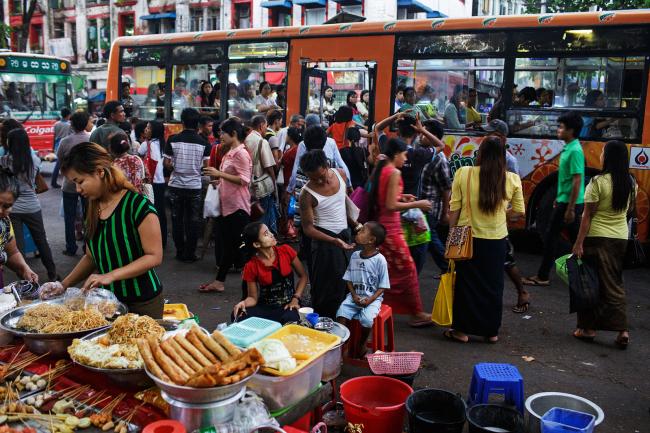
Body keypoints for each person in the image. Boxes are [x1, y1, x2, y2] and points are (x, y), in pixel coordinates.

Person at [51, 142, 164, 316]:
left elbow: (154, 256)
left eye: (80, 181)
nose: (78, 189)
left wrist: (110, 275)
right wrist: (63, 285)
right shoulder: (93, 208)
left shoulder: (138, 206)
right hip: (107, 304)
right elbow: (91, 257)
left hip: (142, 303)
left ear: (99, 172)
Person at [445, 136, 525, 343]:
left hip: (467, 237)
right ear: (502, 156)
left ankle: (461, 332)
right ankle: (491, 332)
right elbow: (519, 212)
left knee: (466, 285)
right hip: (497, 240)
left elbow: (454, 208)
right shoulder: (512, 179)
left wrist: (452, 235)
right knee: (493, 285)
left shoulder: (464, 173)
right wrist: (502, 214)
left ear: (480, 153)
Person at [571, 140, 634, 349]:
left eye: (603, 152)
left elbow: (587, 216)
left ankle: (587, 329)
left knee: (590, 283)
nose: (601, 155)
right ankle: (622, 330)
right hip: (620, 238)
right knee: (614, 281)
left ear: (608, 157)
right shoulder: (630, 182)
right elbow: (629, 211)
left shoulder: (598, 182)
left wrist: (578, 243)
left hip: (597, 238)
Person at [367, 138, 433, 327]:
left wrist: (402, 196)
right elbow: (390, 204)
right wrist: (418, 204)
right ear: (396, 154)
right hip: (391, 229)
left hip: (383, 227)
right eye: (404, 155)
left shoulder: (382, 168)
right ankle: (416, 313)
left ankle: (379, 305)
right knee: (408, 270)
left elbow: (385, 198)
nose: (405, 159)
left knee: (389, 271)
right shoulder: (394, 172)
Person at [523, 112, 585, 287]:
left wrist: (570, 208)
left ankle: (543, 276)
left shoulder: (574, 151)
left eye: (562, 127)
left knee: (553, 238)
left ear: (571, 131)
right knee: (569, 239)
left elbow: (577, 180)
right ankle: (583, 274)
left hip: (569, 204)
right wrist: (559, 199)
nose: (558, 130)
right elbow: (566, 179)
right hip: (565, 201)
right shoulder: (569, 148)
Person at [299, 149, 355, 319]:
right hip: (324, 243)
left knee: (347, 285)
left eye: (321, 176)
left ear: (327, 165)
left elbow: (344, 204)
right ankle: (325, 326)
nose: (319, 181)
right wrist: (334, 240)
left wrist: (356, 225)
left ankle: (345, 326)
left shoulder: (340, 175)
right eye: (313, 178)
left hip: (345, 235)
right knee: (326, 291)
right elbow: (308, 229)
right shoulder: (306, 194)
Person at [482, 119, 529, 312]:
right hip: (485, 216)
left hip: (498, 218)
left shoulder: (509, 161)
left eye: (490, 133)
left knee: (506, 259)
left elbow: (513, 190)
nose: (485, 137)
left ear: (501, 137)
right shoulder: (488, 154)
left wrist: (503, 214)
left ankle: (522, 292)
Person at [201, 117, 252, 293]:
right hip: (227, 205)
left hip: (238, 207)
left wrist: (219, 174)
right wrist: (218, 181)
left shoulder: (241, 153)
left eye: (223, 132)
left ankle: (253, 285)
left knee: (242, 247)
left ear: (234, 134)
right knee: (230, 246)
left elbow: (244, 180)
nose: (220, 135)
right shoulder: (230, 151)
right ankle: (220, 282)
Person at [0, 129, 58, 281]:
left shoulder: (5, 160)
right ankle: (52, 273)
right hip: (33, 206)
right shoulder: (35, 159)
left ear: (10, 142)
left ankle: (25, 278)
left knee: (17, 247)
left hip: (11, 207)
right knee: (41, 241)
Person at [233, 222, 307, 324]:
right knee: (238, 314)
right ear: (256, 244)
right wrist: (243, 303)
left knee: (290, 320)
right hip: (265, 309)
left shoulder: (286, 251)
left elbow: (303, 276)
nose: (272, 234)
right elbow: (253, 298)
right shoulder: (251, 265)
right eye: (266, 234)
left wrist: (296, 298)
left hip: (288, 306)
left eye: (269, 231)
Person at [336, 221, 389, 358]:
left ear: (371, 240)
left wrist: (370, 300)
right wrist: (353, 295)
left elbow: (383, 286)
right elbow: (348, 279)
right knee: (341, 313)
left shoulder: (380, 260)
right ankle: (342, 344)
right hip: (354, 296)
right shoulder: (355, 256)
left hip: (372, 298)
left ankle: (361, 344)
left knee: (367, 320)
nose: (358, 232)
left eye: (362, 231)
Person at [163, 108, 210, 263]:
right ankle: (190, 253)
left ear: (182, 122)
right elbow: (205, 167)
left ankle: (180, 250)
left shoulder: (172, 139)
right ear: (197, 124)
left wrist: (177, 167)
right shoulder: (204, 143)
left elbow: (167, 163)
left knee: (177, 219)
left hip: (176, 185)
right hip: (194, 187)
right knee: (193, 220)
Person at [418, 119, 452, 276]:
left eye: (424, 132)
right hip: (419, 205)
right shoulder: (422, 152)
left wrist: (445, 212)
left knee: (430, 238)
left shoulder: (439, 159)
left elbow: (446, 188)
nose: (420, 135)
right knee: (428, 238)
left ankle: (448, 267)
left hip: (430, 207)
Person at [58, 111, 92, 256]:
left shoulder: (65, 142)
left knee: (69, 218)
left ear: (71, 124)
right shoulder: (91, 139)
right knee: (88, 217)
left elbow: (60, 161)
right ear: (86, 123)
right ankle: (87, 247)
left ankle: (70, 247)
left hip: (69, 184)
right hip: (88, 184)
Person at [0, 173, 38, 287]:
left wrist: (24, 268)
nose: (0, 211)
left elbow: (11, 252)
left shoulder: (4, 222)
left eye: (6, 206)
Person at [246, 115, 278, 233]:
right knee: (263, 217)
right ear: (261, 126)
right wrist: (274, 185)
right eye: (265, 126)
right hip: (262, 187)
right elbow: (269, 166)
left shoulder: (246, 139)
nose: (266, 129)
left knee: (253, 216)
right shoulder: (262, 141)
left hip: (249, 185)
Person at [138, 120, 167, 248]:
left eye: (148, 128)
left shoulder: (146, 144)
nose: (146, 130)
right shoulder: (164, 144)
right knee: (161, 212)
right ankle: (163, 240)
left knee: (150, 211)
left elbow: (139, 154)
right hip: (162, 182)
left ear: (153, 131)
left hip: (151, 182)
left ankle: (152, 240)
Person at [51, 107, 72, 188]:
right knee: (66, 165)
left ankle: (54, 182)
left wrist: (53, 147)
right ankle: (67, 183)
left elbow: (54, 136)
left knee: (59, 164)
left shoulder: (56, 124)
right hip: (66, 144)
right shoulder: (69, 125)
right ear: (68, 115)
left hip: (57, 145)